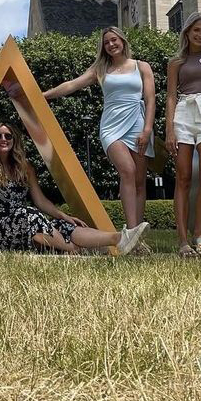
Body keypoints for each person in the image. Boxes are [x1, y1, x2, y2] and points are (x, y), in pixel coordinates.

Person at [0, 122, 148, 254]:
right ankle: (74, 249)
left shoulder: (25, 168)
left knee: (63, 225)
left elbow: (40, 200)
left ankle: (119, 238)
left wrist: (63, 215)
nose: (3, 139)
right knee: (28, 214)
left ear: (15, 140)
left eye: (8, 136)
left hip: (26, 223)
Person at [44, 26, 155, 244]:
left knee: (140, 181)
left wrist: (148, 129)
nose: (112, 44)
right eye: (107, 42)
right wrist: (43, 95)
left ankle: (137, 238)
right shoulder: (100, 69)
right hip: (112, 126)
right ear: (103, 47)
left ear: (122, 41)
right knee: (127, 170)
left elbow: (150, 99)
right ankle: (130, 231)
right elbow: (72, 85)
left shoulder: (142, 67)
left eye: (114, 40)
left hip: (138, 123)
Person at [165, 12, 201, 257]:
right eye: (196, 30)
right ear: (187, 32)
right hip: (184, 114)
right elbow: (170, 96)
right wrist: (169, 129)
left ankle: (199, 235)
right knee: (184, 177)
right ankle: (183, 240)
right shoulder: (176, 62)